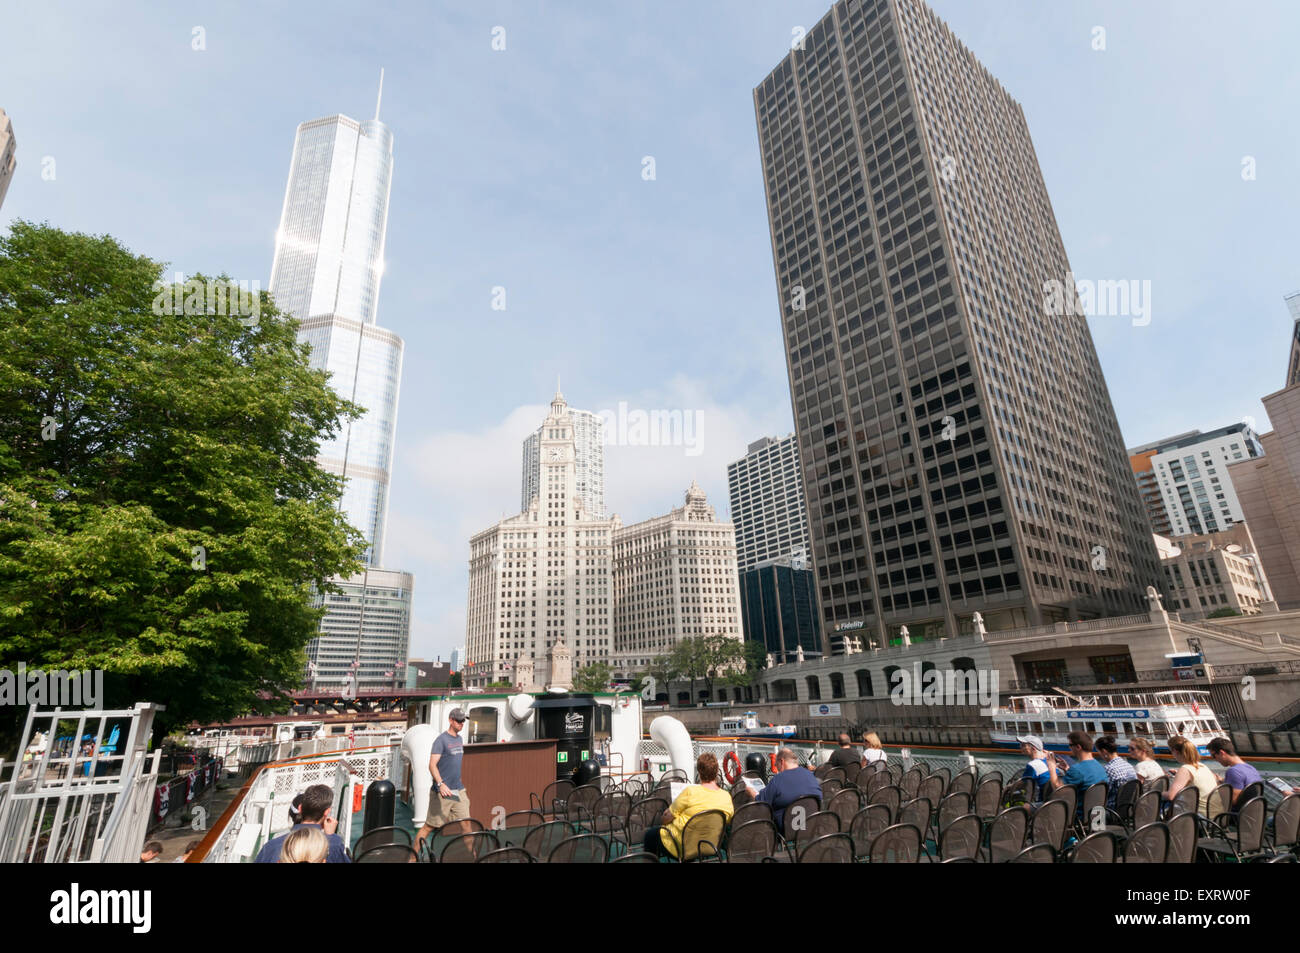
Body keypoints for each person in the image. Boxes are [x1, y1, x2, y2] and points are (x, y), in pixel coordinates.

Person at [643, 753, 735, 859]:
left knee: (649, 836)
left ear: (699, 772)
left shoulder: (690, 791)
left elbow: (665, 819)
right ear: (716, 772)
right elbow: (725, 822)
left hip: (681, 846)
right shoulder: (726, 797)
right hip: (709, 845)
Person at [414, 708, 470, 853]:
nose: (461, 723)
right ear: (451, 720)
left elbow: (454, 763)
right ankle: (412, 858)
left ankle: (473, 856)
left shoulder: (459, 739)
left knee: (467, 825)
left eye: (463, 721)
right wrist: (440, 784)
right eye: (459, 721)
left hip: (458, 790)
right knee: (429, 827)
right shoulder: (441, 740)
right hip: (442, 792)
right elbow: (432, 765)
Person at [254, 784, 350, 863]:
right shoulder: (333, 847)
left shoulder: (271, 846)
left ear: (300, 808)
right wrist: (331, 837)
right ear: (327, 812)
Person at [756, 747, 822, 830]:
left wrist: (752, 792)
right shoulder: (811, 776)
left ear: (782, 762)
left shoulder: (778, 779)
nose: (777, 768)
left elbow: (761, 803)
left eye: (776, 765)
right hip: (812, 828)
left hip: (785, 832)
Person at [1163, 736, 1218, 817]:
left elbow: (1171, 796)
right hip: (1215, 815)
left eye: (1171, 751)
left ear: (1175, 751)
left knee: (1164, 805)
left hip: (1201, 818)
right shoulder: (1202, 766)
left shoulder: (1185, 769)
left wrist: (1158, 792)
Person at [1045, 731, 1108, 802]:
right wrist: (1067, 769)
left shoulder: (1076, 770)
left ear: (1078, 747)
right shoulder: (1100, 766)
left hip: (1077, 811)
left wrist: (1051, 767)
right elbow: (1083, 778)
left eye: (1070, 745)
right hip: (1096, 810)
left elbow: (1058, 790)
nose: (1069, 747)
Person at [1206, 737, 1261, 810]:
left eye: (1214, 756)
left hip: (1236, 817)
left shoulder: (1233, 771)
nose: (1215, 760)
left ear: (1222, 753)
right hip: (1254, 814)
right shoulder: (1251, 768)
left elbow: (1232, 801)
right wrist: (1223, 780)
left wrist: (1218, 784)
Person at [1093, 735, 1138, 809]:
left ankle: (1093, 821)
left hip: (1111, 810)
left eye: (1098, 752)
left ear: (1104, 751)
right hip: (1128, 809)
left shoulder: (1109, 769)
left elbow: (1102, 795)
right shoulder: (1129, 766)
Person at [1016, 735, 1051, 801]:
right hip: (1054, 800)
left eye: (1023, 745)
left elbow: (1022, 784)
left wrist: (1007, 787)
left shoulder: (1033, 765)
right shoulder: (1050, 761)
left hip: (1042, 803)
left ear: (1033, 749)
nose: (1020, 747)